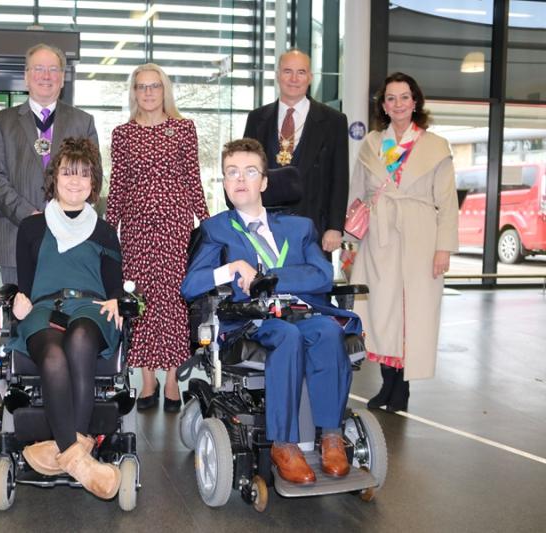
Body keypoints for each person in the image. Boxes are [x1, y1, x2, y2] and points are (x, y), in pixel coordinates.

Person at [181, 138, 357, 485]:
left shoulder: (299, 226)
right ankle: (284, 443)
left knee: (327, 331)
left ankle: (331, 435)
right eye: (232, 173)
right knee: (287, 336)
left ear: (263, 182)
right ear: (225, 183)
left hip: (299, 312)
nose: (240, 179)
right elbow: (190, 286)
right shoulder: (214, 229)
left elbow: (322, 274)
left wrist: (268, 279)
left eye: (249, 172)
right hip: (249, 321)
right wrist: (231, 269)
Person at [0, 43, 98, 427]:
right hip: (18, 239)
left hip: (71, 246)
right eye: (38, 69)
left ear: (63, 78)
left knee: (66, 324)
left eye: (53, 69)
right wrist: (33, 218)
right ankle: (4, 397)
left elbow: (91, 177)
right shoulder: (1, 121)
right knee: (15, 327)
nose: (46, 76)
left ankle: (65, 404)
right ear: (26, 75)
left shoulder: (82, 121)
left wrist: (63, 219)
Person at [9, 137, 123, 499]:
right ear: (54, 179)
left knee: (80, 338)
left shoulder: (105, 231)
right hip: (44, 307)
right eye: (67, 174)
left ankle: (61, 451)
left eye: (83, 175)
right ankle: (79, 459)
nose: (75, 182)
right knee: (54, 355)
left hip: (91, 308)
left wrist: (118, 302)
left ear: (93, 184)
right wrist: (17, 301)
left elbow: (114, 286)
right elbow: (23, 284)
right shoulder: (31, 227)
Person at [348, 72, 458, 412]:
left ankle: (403, 387)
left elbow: (447, 201)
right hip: (378, 237)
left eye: (404, 97)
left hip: (419, 236)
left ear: (415, 102)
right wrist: (351, 243)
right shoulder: (371, 144)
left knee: (412, 311)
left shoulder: (435, 146)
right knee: (381, 311)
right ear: (384, 105)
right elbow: (357, 193)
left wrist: (443, 248)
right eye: (391, 98)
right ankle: (386, 382)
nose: (398, 104)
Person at [106, 63, 209, 413]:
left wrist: (209, 224)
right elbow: (117, 185)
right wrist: (107, 229)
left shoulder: (183, 129)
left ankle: (171, 379)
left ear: (165, 90)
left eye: (154, 86)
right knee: (142, 303)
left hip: (174, 227)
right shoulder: (122, 134)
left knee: (173, 303)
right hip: (135, 229)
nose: (148, 93)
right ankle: (146, 377)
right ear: (134, 93)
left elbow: (192, 180)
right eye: (141, 87)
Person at [243, 49, 348, 254]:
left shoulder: (334, 121)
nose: (294, 79)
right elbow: (246, 172)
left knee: (309, 284)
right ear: (278, 75)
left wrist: (335, 227)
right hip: (263, 223)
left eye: (301, 72)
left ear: (310, 77)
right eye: (287, 71)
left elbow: (340, 177)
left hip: (314, 224)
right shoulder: (256, 119)